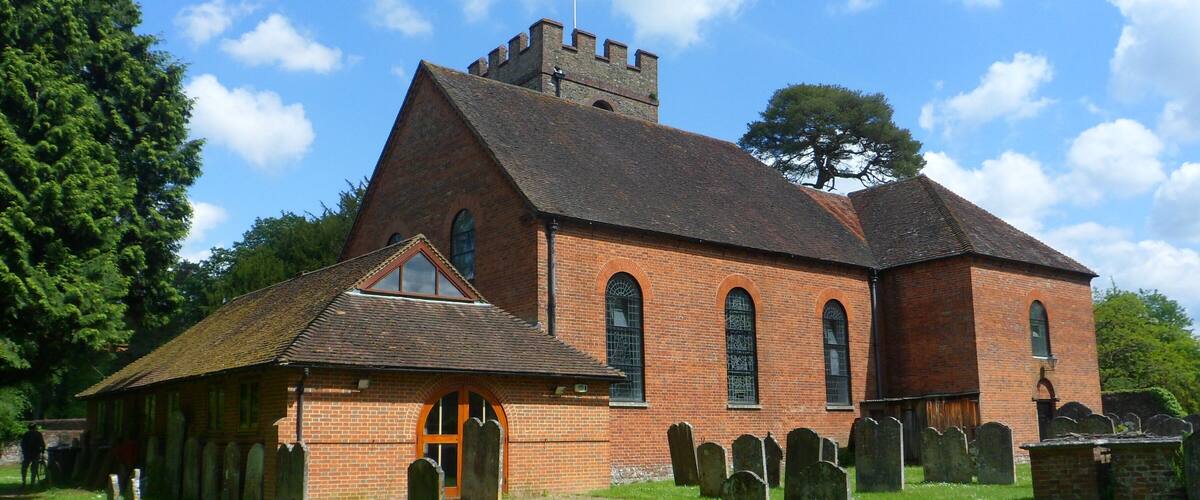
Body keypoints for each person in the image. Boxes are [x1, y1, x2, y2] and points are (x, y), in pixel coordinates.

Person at [20, 423, 45, 489]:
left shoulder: (26, 434)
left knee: (24, 468)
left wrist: (24, 452)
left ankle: (23, 482)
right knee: (34, 469)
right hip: (35, 454)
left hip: (27, 454)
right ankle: (32, 484)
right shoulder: (38, 434)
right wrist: (42, 451)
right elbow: (42, 444)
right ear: (35, 427)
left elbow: (22, 444)